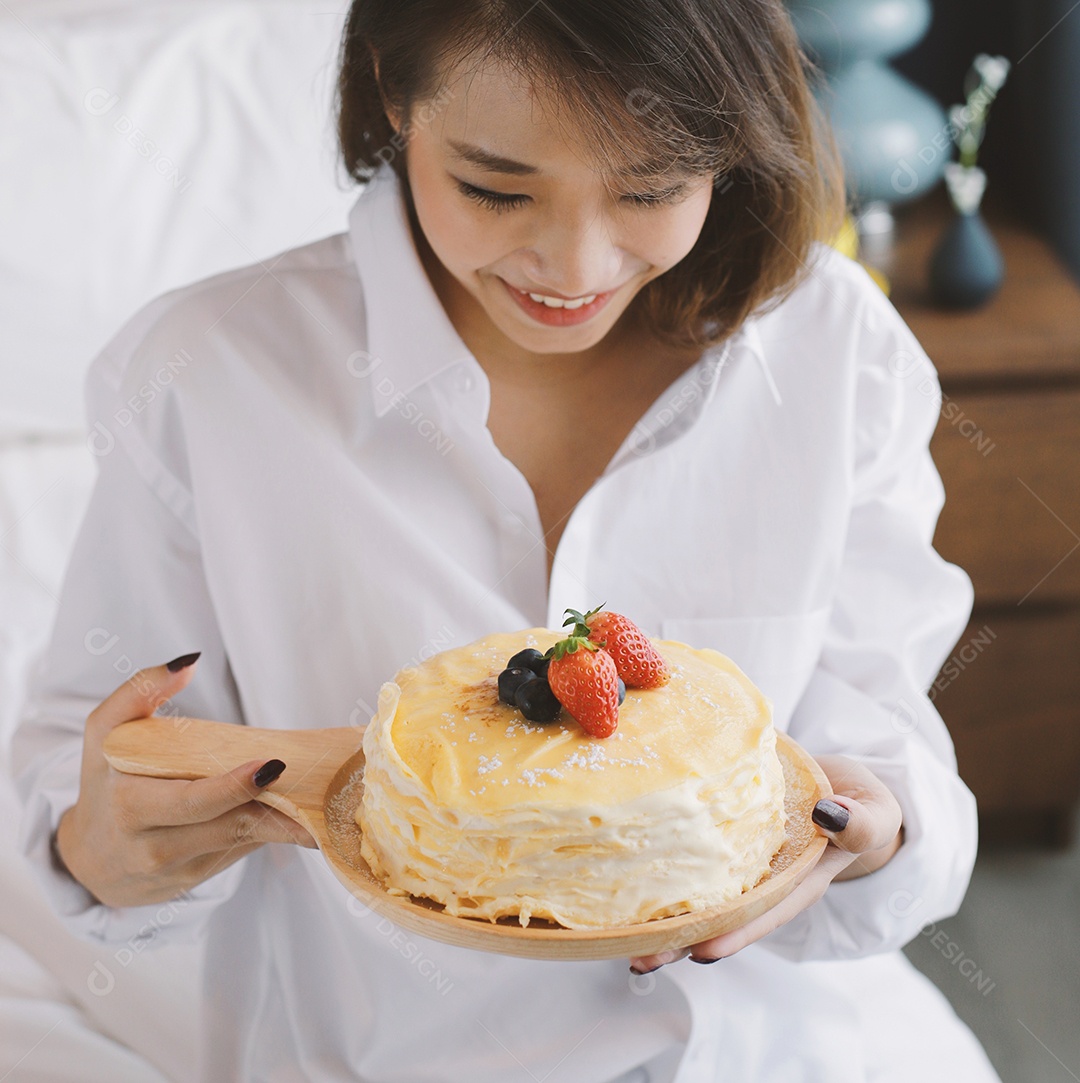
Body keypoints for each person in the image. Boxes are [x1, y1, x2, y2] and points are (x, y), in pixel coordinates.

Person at [13, 0, 1003, 1079]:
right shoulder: (208, 373)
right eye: (496, 187)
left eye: (652, 189)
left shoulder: (834, 345)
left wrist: (876, 825)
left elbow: (894, 750)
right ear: (396, 98)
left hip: (774, 1039)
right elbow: (81, 782)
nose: (574, 266)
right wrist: (108, 850)